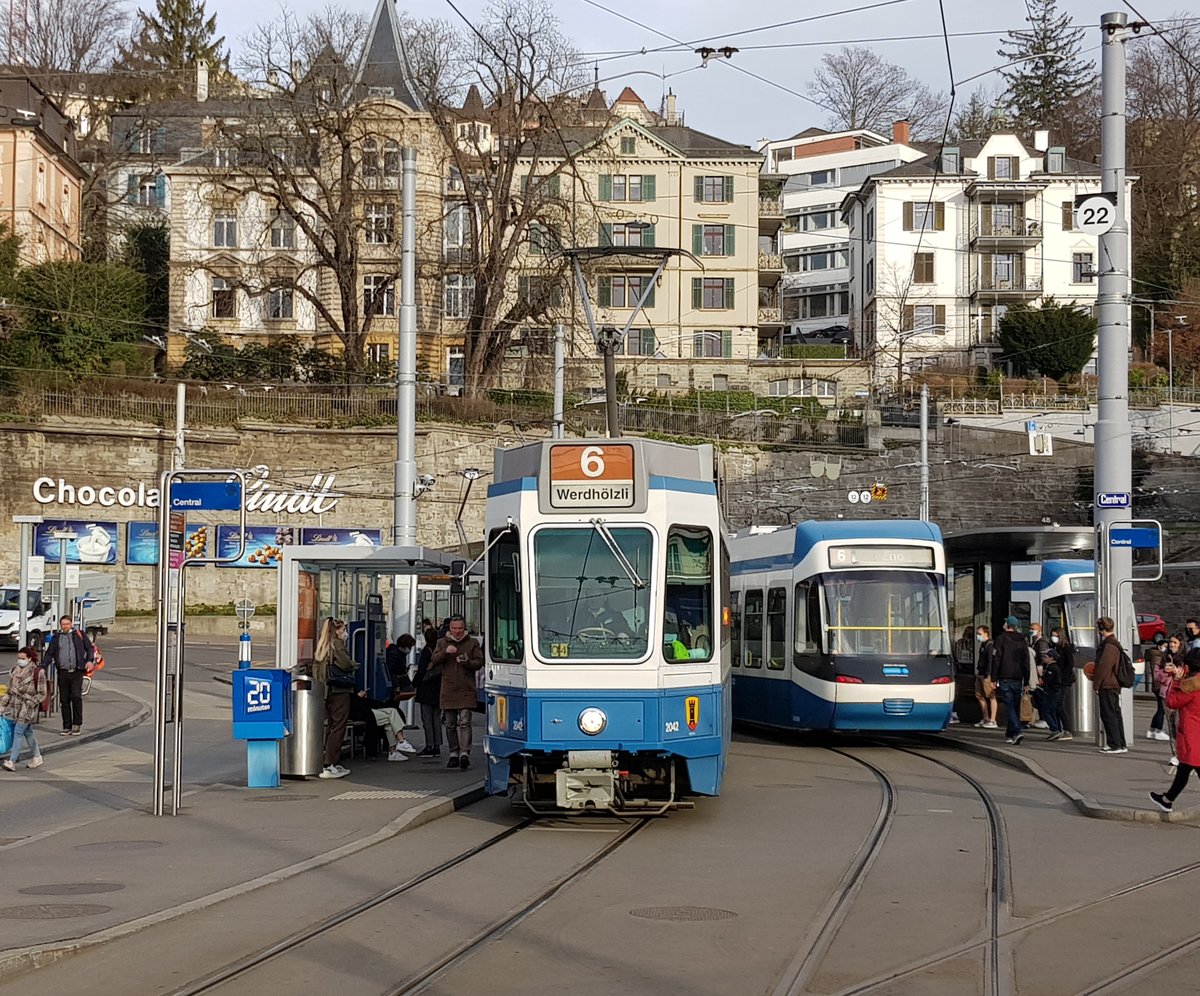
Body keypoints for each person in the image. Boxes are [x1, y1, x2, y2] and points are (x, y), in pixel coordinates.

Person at [1149, 651, 1200, 812]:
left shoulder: (1191, 687)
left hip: (1192, 734)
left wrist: (1177, 681)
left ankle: (1167, 799)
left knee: (1189, 765)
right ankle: (1167, 799)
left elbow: (1171, 701)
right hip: (1194, 734)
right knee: (1184, 769)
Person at [433, 615, 484, 770]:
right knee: (450, 724)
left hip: (466, 689)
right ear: (450, 629)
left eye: (460, 628)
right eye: (454, 629)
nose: (457, 632)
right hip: (448, 689)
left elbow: (479, 662)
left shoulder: (472, 643)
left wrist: (467, 662)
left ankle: (464, 754)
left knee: (464, 722)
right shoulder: (442, 643)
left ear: (465, 628)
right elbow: (434, 660)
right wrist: (445, 653)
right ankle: (453, 752)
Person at [313, 618, 358, 779]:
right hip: (339, 690)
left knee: (331, 726)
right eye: (343, 629)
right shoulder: (337, 645)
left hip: (326, 691)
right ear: (337, 631)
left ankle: (329, 761)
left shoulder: (322, 646)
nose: (345, 632)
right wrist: (354, 664)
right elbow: (346, 664)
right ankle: (329, 763)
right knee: (339, 726)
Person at [43, 615, 93, 736]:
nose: (65, 626)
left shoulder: (79, 635)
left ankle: (77, 724)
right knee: (64, 700)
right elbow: (50, 653)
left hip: (77, 671)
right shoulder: (57, 637)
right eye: (63, 624)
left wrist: (89, 660)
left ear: (71, 624)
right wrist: (43, 666)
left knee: (76, 697)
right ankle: (67, 726)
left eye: (67, 624)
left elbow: (89, 648)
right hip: (63, 672)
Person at [1, 648, 46, 771]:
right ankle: (37, 756)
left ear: (29, 658)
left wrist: (32, 702)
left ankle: (12, 761)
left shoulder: (37, 673)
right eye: (19, 658)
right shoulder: (14, 671)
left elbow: (42, 693)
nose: (20, 661)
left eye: (23, 658)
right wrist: (3, 705)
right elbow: (10, 691)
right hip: (16, 707)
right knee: (28, 732)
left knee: (18, 732)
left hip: (28, 708)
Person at [1090, 615, 1128, 754]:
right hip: (1112, 683)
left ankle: (1115, 744)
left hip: (1108, 684)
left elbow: (1104, 666)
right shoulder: (1114, 643)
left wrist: (1096, 684)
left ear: (1101, 629)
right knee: (1115, 713)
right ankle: (1120, 743)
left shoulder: (1109, 645)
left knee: (1108, 714)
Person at [990, 616, 1029, 745]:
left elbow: (996, 659)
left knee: (1009, 705)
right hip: (1018, 676)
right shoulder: (1023, 639)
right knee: (1015, 705)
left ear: (1007, 625)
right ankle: (1011, 733)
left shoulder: (1001, 638)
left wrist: (993, 678)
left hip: (1005, 675)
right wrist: (1027, 680)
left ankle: (1017, 731)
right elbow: (1026, 661)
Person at [348, 689, 418, 761]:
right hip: (359, 710)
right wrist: (358, 697)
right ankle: (399, 744)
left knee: (392, 713)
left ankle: (397, 747)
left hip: (363, 707)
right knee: (391, 716)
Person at [412, 626, 442, 758]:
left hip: (426, 688)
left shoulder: (426, 651)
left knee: (427, 719)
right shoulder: (440, 650)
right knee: (436, 718)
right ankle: (437, 745)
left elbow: (421, 671)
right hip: (439, 687)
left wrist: (413, 684)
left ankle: (429, 746)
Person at [1049, 627, 1075, 741]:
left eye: (1056, 635)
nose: (1053, 637)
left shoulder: (1066, 648)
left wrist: (1063, 677)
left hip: (1063, 681)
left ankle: (1067, 730)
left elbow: (1069, 664)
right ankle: (1059, 729)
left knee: (1059, 706)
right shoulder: (1057, 647)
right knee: (1056, 705)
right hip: (1057, 680)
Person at [973, 625, 998, 729]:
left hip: (987, 675)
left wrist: (989, 675)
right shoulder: (983, 645)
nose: (978, 636)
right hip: (980, 673)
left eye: (980, 634)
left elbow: (991, 661)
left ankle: (993, 720)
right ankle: (985, 717)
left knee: (991, 696)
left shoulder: (990, 645)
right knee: (979, 695)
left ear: (986, 633)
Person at [1038, 645, 1065, 740]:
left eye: (1045, 657)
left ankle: (1055, 729)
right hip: (1054, 691)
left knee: (1046, 711)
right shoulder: (1051, 667)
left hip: (1053, 692)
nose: (1044, 658)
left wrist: (1042, 676)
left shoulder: (1052, 668)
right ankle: (1057, 729)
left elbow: (1049, 679)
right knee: (1052, 711)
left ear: (1051, 658)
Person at [1146, 646, 1170, 741]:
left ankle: (1152, 729)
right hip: (1161, 687)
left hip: (1158, 686)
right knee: (1162, 709)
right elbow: (1158, 674)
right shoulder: (1158, 657)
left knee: (1160, 708)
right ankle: (1158, 730)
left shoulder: (1155, 656)